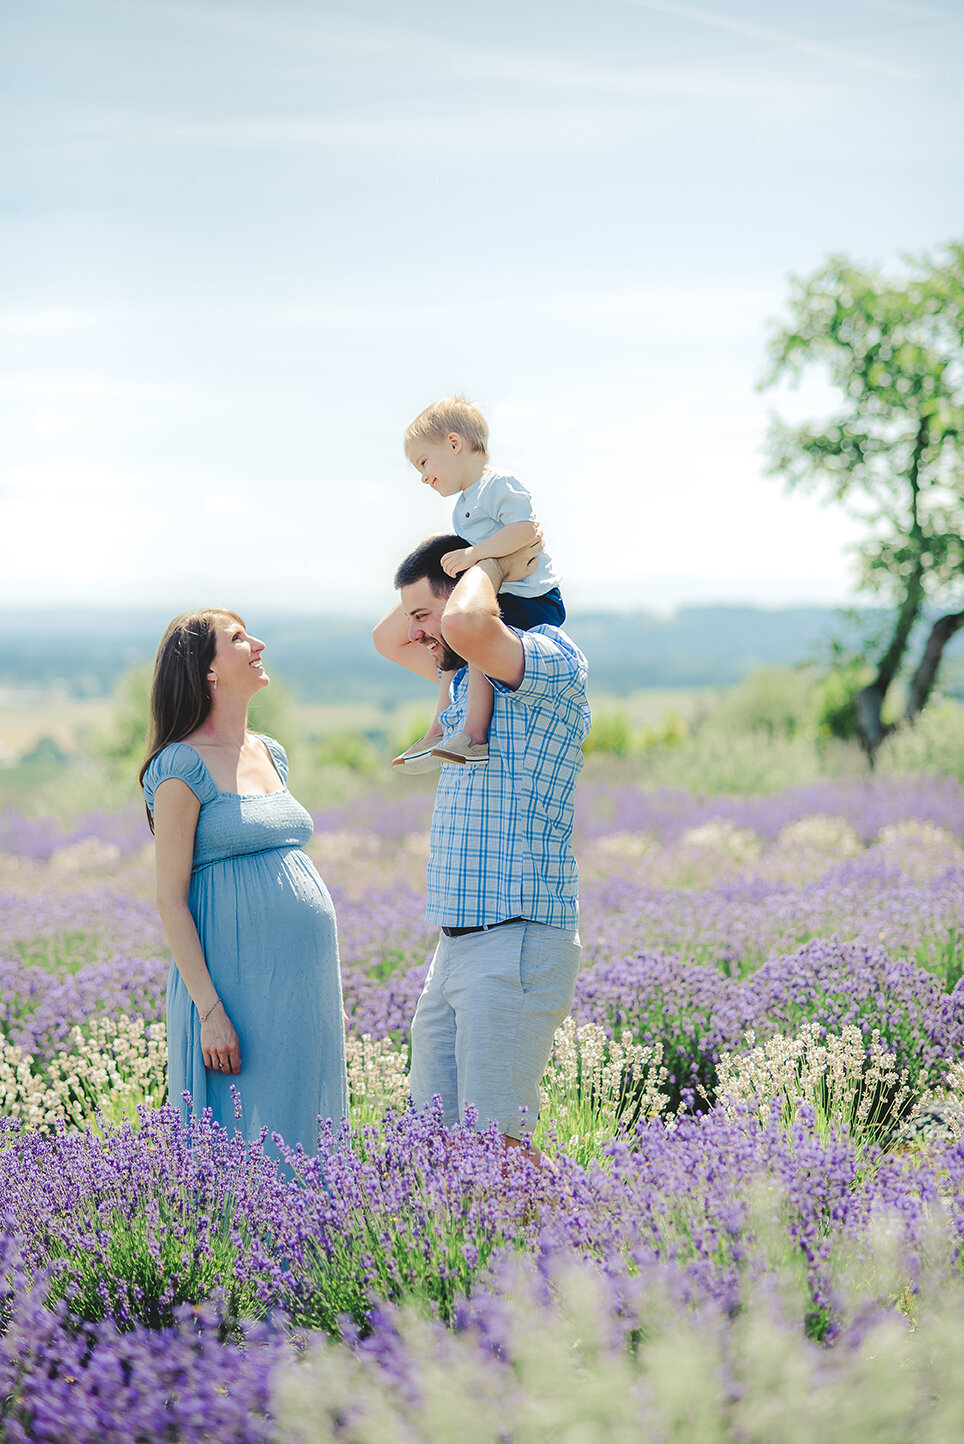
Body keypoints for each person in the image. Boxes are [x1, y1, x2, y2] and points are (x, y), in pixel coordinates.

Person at [372, 534, 590, 1158]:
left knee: (499, 1152)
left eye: (423, 616)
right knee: (438, 1150)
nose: (414, 633)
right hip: (458, 943)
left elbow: (466, 621)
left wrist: (485, 563)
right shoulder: (468, 673)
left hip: (515, 939)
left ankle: (581, 1252)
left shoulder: (547, 658)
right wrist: (444, 575)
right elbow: (387, 640)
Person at [139, 609, 348, 1159]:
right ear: (207, 671)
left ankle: (312, 1242)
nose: (257, 643)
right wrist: (210, 1012)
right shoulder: (180, 766)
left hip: (301, 985)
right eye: (237, 639)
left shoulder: (270, 752)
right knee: (241, 1136)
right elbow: (169, 899)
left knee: (306, 1125)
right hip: (234, 986)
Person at [394, 395, 564, 771]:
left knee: (468, 640)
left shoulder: (499, 484)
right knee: (452, 643)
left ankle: (473, 736)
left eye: (424, 462)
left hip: (533, 596)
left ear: (454, 444)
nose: (423, 476)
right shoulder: (462, 507)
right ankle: (439, 727)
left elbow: (524, 530)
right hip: (506, 594)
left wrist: (473, 557)